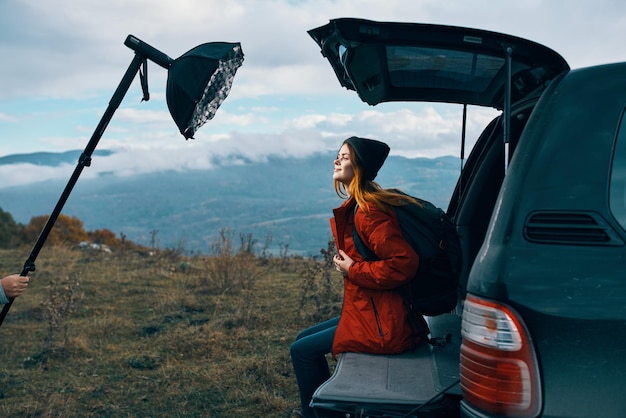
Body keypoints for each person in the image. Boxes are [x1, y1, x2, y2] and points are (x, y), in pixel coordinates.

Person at [290, 136, 428, 418]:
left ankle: (318, 416)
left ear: (360, 166)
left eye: (344, 157)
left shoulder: (368, 212)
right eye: (338, 155)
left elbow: (403, 263)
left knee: (302, 351)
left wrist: (353, 270)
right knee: (304, 339)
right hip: (372, 310)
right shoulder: (361, 205)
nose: (336, 161)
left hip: (383, 324)